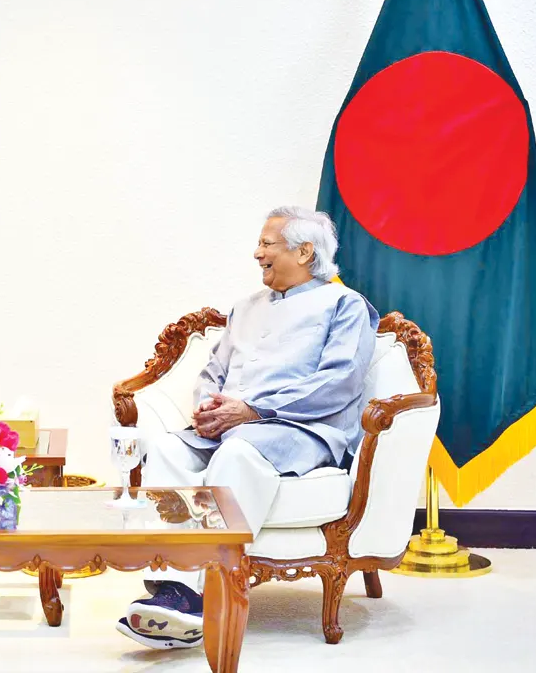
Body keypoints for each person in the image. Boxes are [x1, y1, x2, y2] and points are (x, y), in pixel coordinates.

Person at [116, 205, 380, 650]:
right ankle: (172, 589)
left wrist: (253, 410)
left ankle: (204, 596)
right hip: (230, 425)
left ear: (305, 252)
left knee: (237, 452)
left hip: (301, 429)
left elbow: (340, 382)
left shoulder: (345, 305)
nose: (257, 253)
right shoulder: (246, 307)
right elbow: (213, 371)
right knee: (166, 450)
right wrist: (208, 407)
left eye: (266, 244)